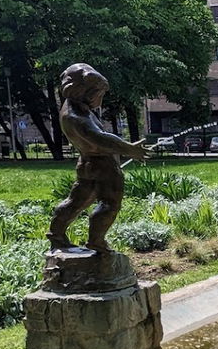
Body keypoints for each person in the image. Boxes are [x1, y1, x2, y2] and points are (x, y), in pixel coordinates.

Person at [46, 63, 149, 252]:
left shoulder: (74, 109)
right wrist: (129, 149)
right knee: (110, 203)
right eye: (98, 95)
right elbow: (100, 139)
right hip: (103, 166)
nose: (100, 101)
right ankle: (96, 240)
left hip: (87, 164)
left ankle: (56, 234)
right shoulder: (75, 117)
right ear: (82, 91)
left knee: (77, 201)